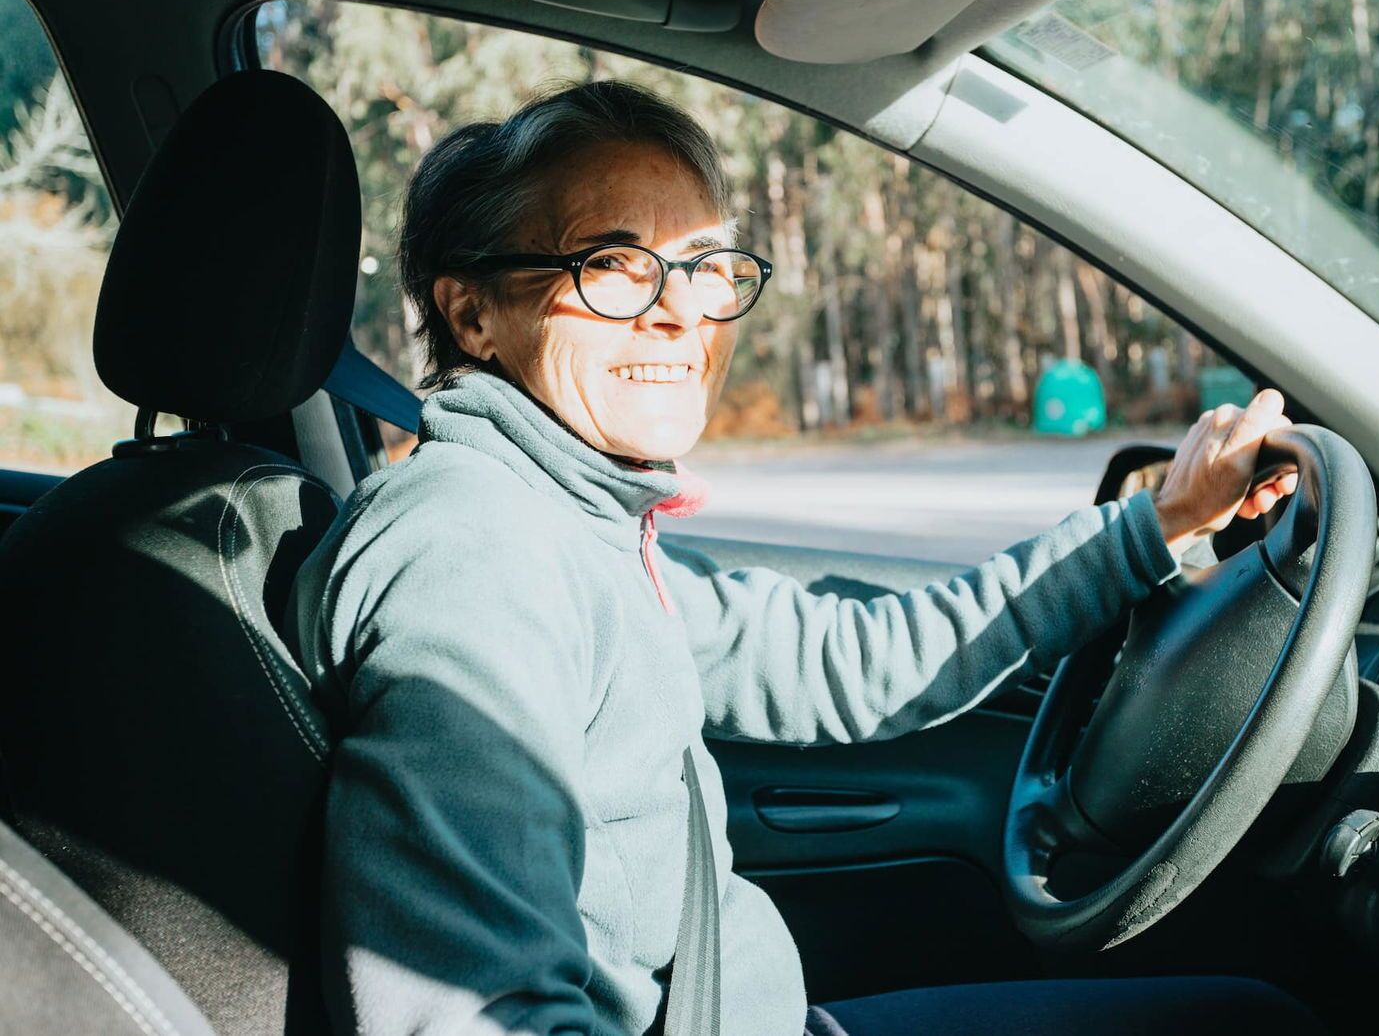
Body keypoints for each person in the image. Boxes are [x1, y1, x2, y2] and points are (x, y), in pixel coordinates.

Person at [284, 80, 1314, 1036]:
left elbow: (848, 660)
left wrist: (1159, 523)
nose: (682, 310)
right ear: (473, 312)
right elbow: (471, 1013)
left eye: (703, 268)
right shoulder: (475, 550)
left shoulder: (576, 524)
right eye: (612, 264)